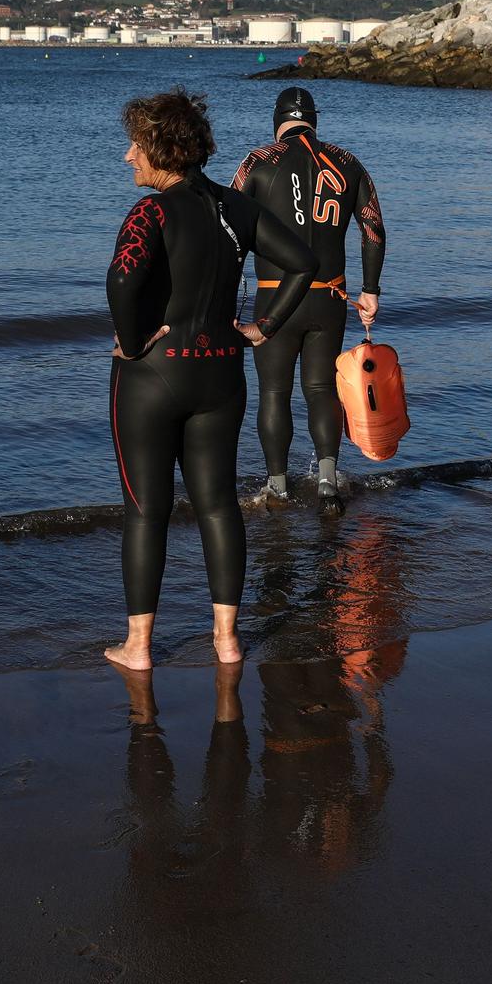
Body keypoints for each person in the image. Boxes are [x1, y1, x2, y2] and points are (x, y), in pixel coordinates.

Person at [106, 88, 316, 669]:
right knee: (219, 506)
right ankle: (227, 640)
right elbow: (303, 263)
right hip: (222, 371)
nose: (128, 157)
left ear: (160, 150)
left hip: (153, 377)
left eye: (135, 146)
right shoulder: (236, 206)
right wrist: (264, 327)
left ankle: (139, 647)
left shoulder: (150, 212)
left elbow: (122, 281)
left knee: (146, 509)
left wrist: (129, 342)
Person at [231, 86, 387, 508]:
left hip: (273, 299)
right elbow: (373, 229)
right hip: (330, 298)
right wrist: (369, 290)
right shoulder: (349, 163)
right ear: (314, 120)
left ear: (276, 120)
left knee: (274, 394)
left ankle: (277, 487)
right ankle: (327, 481)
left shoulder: (258, 162)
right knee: (321, 390)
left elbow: (226, 229)